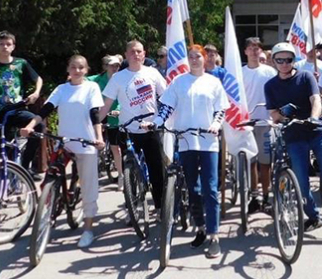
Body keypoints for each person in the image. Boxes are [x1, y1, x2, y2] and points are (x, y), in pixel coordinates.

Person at [265, 42, 322, 248]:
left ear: (293, 60)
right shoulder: (270, 86)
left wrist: (313, 117)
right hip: (294, 135)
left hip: (317, 132)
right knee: (302, 184)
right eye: (280, 60)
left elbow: (316, 100)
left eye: (288, 59)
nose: (284, 63)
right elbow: (273, 113)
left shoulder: (305, 77)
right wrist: (285, 117)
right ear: (274, 61)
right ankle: (313, 216)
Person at [146, 45, 228, 258]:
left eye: (197, 56)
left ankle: (214, 235)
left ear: (205, 58)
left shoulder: (213, 82)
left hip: (208, 142)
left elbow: (221, 109)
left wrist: (215, 124)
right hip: (185, 141)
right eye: (190, 56)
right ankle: (200, 228)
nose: (194, 59)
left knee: (210, 189)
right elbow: (167, 107)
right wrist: (156, 122)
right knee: (193, 189)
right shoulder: (179, 82)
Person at [20, 55, 106, 248]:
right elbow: (46, 109)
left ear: (86, 70)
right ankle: (50, 208)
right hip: (64, 142)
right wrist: (30, 126)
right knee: (50, 176)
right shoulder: (61, 89)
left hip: (86, 143)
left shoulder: (91, 88)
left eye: (81, 67)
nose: (77, 70)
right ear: (68, 69)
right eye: (73, 67)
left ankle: (88, 229)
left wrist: (98, 137)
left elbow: (94, 114)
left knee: (88, 187)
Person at [99, 40, 167, 209]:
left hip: (150, 128)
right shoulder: (118, 78)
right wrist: (93, 124)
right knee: (129, 168)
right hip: (128, 130)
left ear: (144, 54)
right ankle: (133, 205)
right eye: (132, 52)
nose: (136, 54)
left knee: (156, 169)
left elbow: (166, 97)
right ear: (126, 55)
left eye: (139, 51)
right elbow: (106, 105)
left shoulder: (152, 73)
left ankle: (160, 207)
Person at [0, 31, 44, 170]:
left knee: (38, 126)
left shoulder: (21, 63)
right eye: (1, 44)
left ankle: (25, 165)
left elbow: (38, 79)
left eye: (8, 44)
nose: (5, 47)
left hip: (18, 110)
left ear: (13, 46)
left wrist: (36, 93)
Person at [240, 37, 277, 213]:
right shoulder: (240, 73)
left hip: (265, 122)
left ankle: (266, 196)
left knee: (265, 162)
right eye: (251, 48)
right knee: (251, 162)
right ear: (245, 51)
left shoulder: (269, 72)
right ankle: (254, 196)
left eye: (257, 48)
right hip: (246, 124)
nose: (254, 51)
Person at [88, 55, 124, 179]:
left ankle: (121, 175)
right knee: (93, 140)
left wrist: (118, 110)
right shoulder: (98, 79)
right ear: (106, 67)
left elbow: (123, 99)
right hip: (100, 112)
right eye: (112, 65)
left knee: (115, 147)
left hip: (115, 115)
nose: (115, 68)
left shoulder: (121, 79)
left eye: (117, 66)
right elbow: (84, 80)